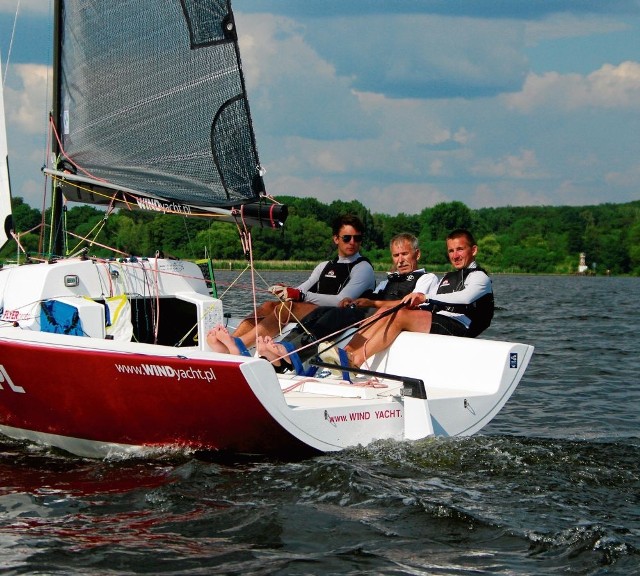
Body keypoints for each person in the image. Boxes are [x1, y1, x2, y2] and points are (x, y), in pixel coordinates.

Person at [253, 233, 439, 373]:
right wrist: (355, 301)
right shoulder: (386, 281)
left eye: (405, 254)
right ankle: (284, 347)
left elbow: (410, 304)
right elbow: (371, 299)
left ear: (417, 254)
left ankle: (289, 355)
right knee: (323, 311)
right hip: (369, 312)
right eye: (396, 255)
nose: (400, 260)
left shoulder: (426, 278)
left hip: (383, 317)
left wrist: (371, 304)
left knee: (334, 315)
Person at [207, 214, 375, 353]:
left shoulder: (363, 268)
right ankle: (232, 341)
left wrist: (299, 295)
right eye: (347, 238)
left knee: (287, 308)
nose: (352, 242)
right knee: (268, 305)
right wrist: (285, 290)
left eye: (357, 238)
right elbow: (302, 289)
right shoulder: (324, 266)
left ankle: (240, 346)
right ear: (336, 239)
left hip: (339, 314)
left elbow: (341, 300)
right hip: (318, 310)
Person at [342, 228, 494, 369]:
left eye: (460, 249)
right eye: (451, 251)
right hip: (440, 320)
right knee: (386, 309)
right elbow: (433, 301)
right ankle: (345, 353)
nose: (455, 255)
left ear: (473, 250)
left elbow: (465, 298)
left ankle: (356, 361)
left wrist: (424, 297)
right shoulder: (448, 277)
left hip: (461, 327)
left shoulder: (480, 277)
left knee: (400, 315)